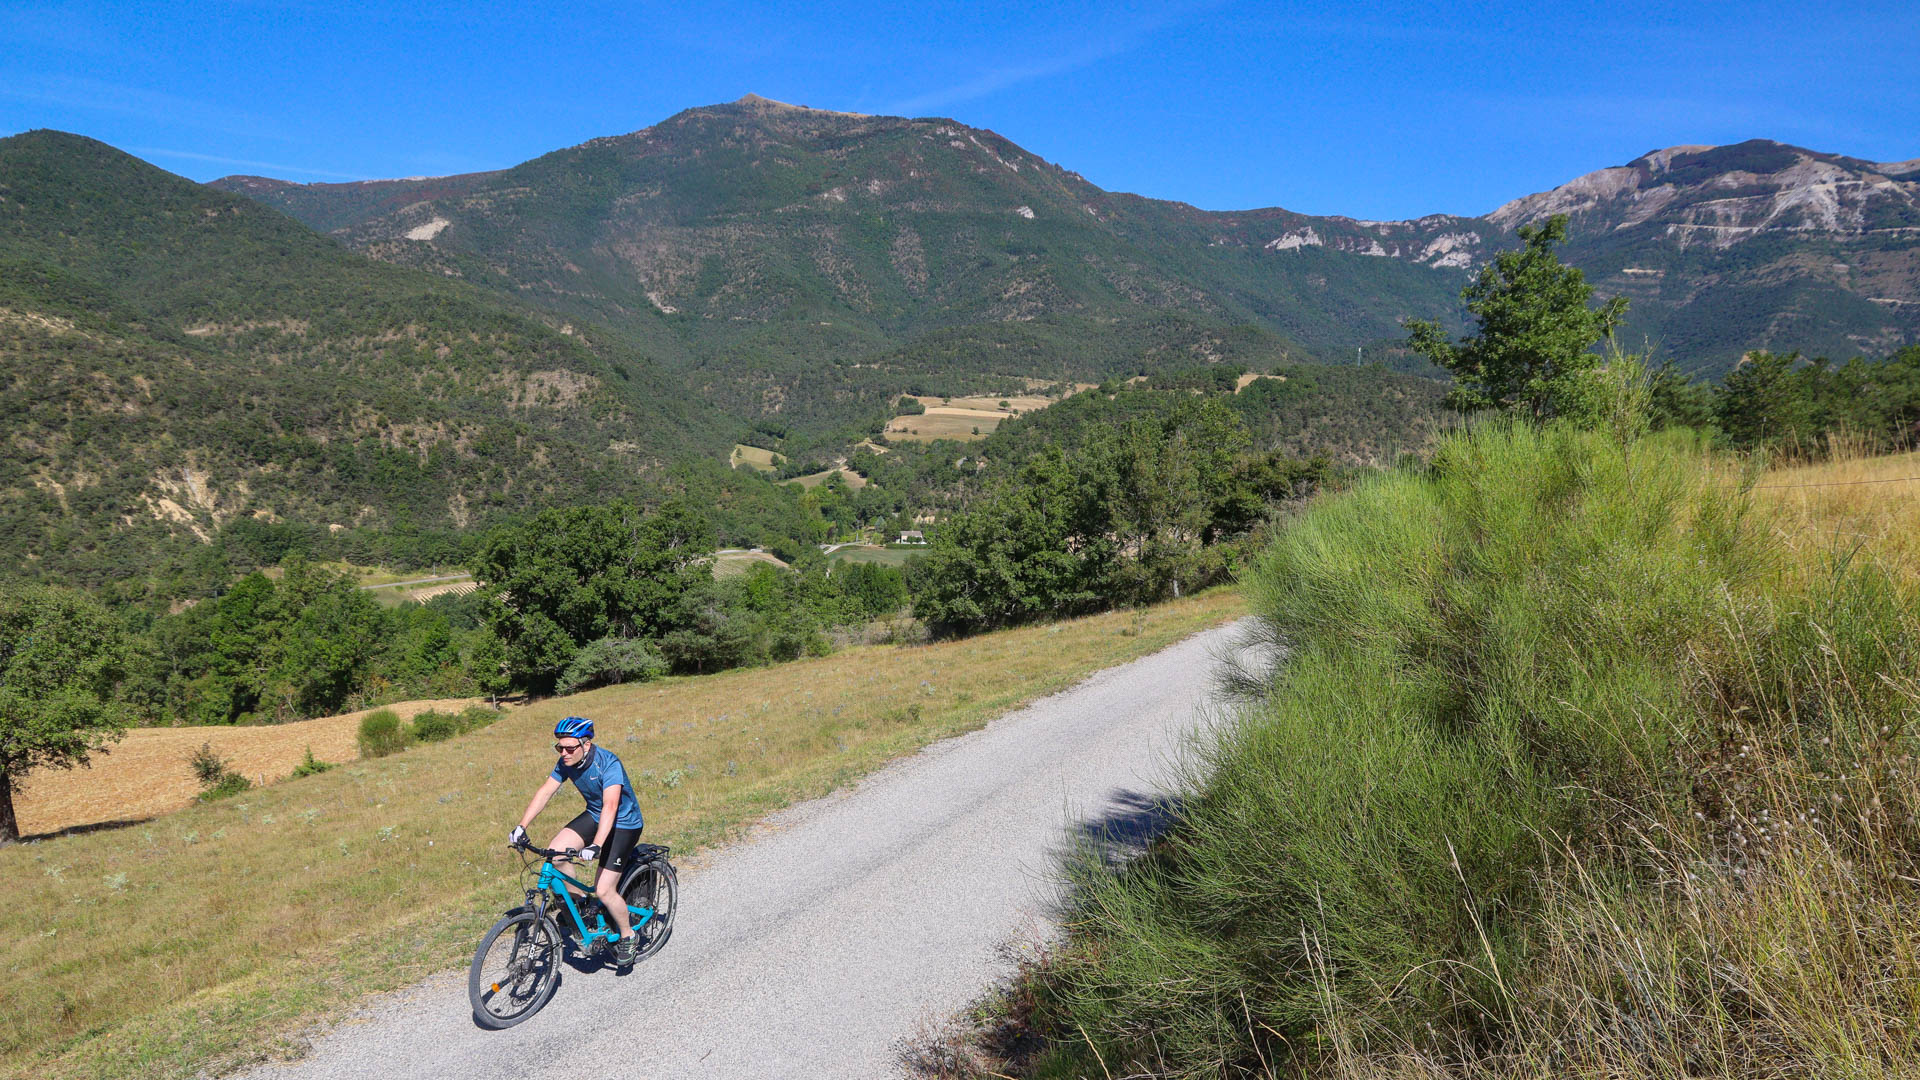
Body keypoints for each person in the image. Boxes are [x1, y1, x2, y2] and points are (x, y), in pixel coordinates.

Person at [509, 716, 646, 966]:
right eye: (559, 747)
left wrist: (597, 845)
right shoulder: (567, 761)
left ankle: (628, 935)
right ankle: (582, 905)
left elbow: (611, 805)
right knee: (555, 853)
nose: (563, 753)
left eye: (569, 748)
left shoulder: (608, 763)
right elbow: (545, 791)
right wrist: (521, 826)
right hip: (595, 815)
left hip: (624, 823)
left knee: (604, 889)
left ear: (586, 744)